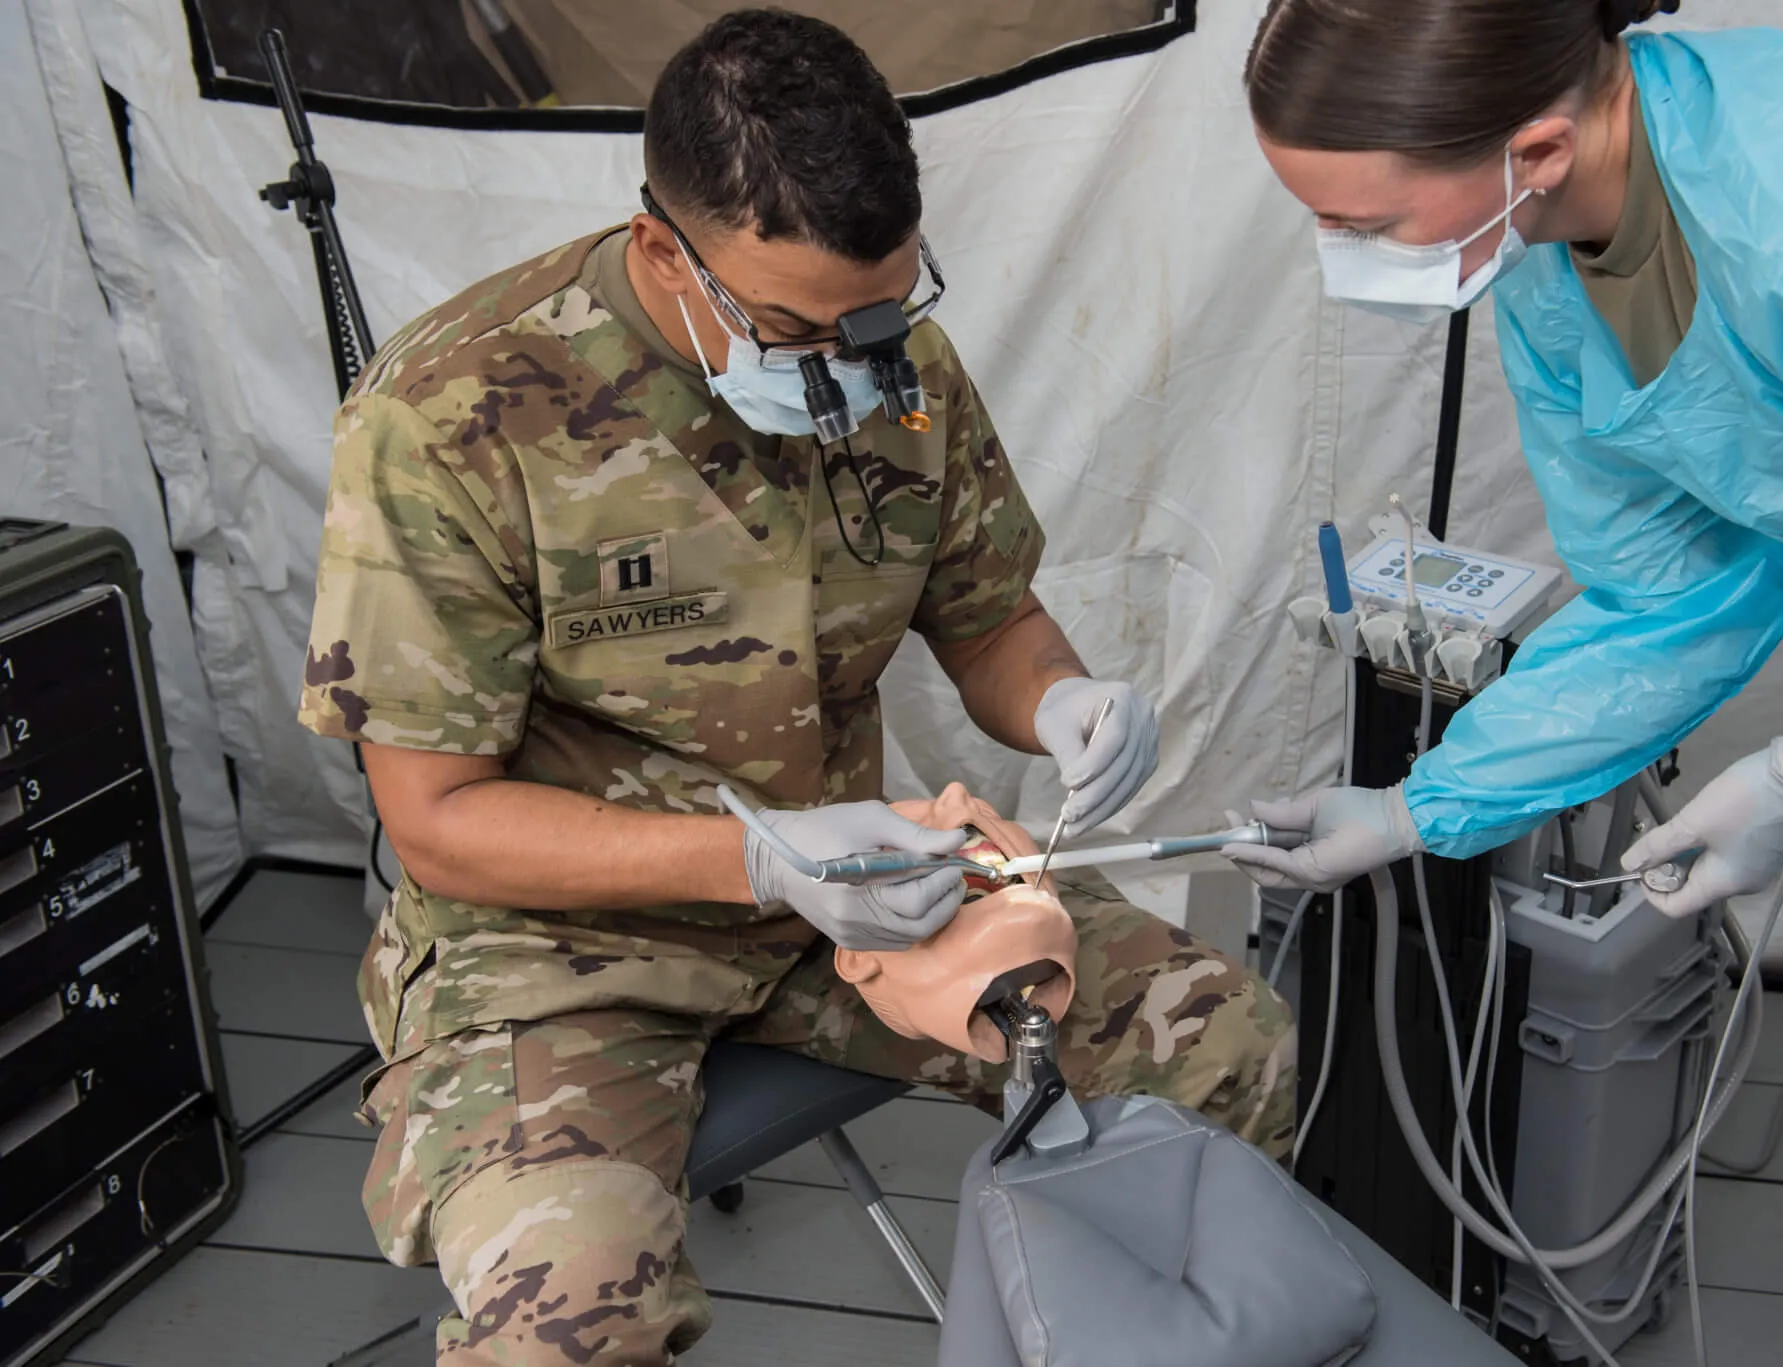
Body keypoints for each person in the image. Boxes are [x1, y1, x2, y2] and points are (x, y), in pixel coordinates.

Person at [298, 12, 1294, 1364]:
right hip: (555, 952)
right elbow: (437, 817)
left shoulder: (893, 361)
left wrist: (1061, 695)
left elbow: (987, 610)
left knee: (1222, 1044)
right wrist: (756, 859)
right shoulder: (452, 415)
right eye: (792, 327)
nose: (845, 367)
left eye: (881, 314)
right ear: (667, 250)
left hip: (867, 898)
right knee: (570, 1327)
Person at [1225, 1, 1783, 1364]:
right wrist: (1424, 807)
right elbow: (1673, 595)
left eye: (1366, 222)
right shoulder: (1555, 272)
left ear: (1535, 144)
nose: (1340, 259)